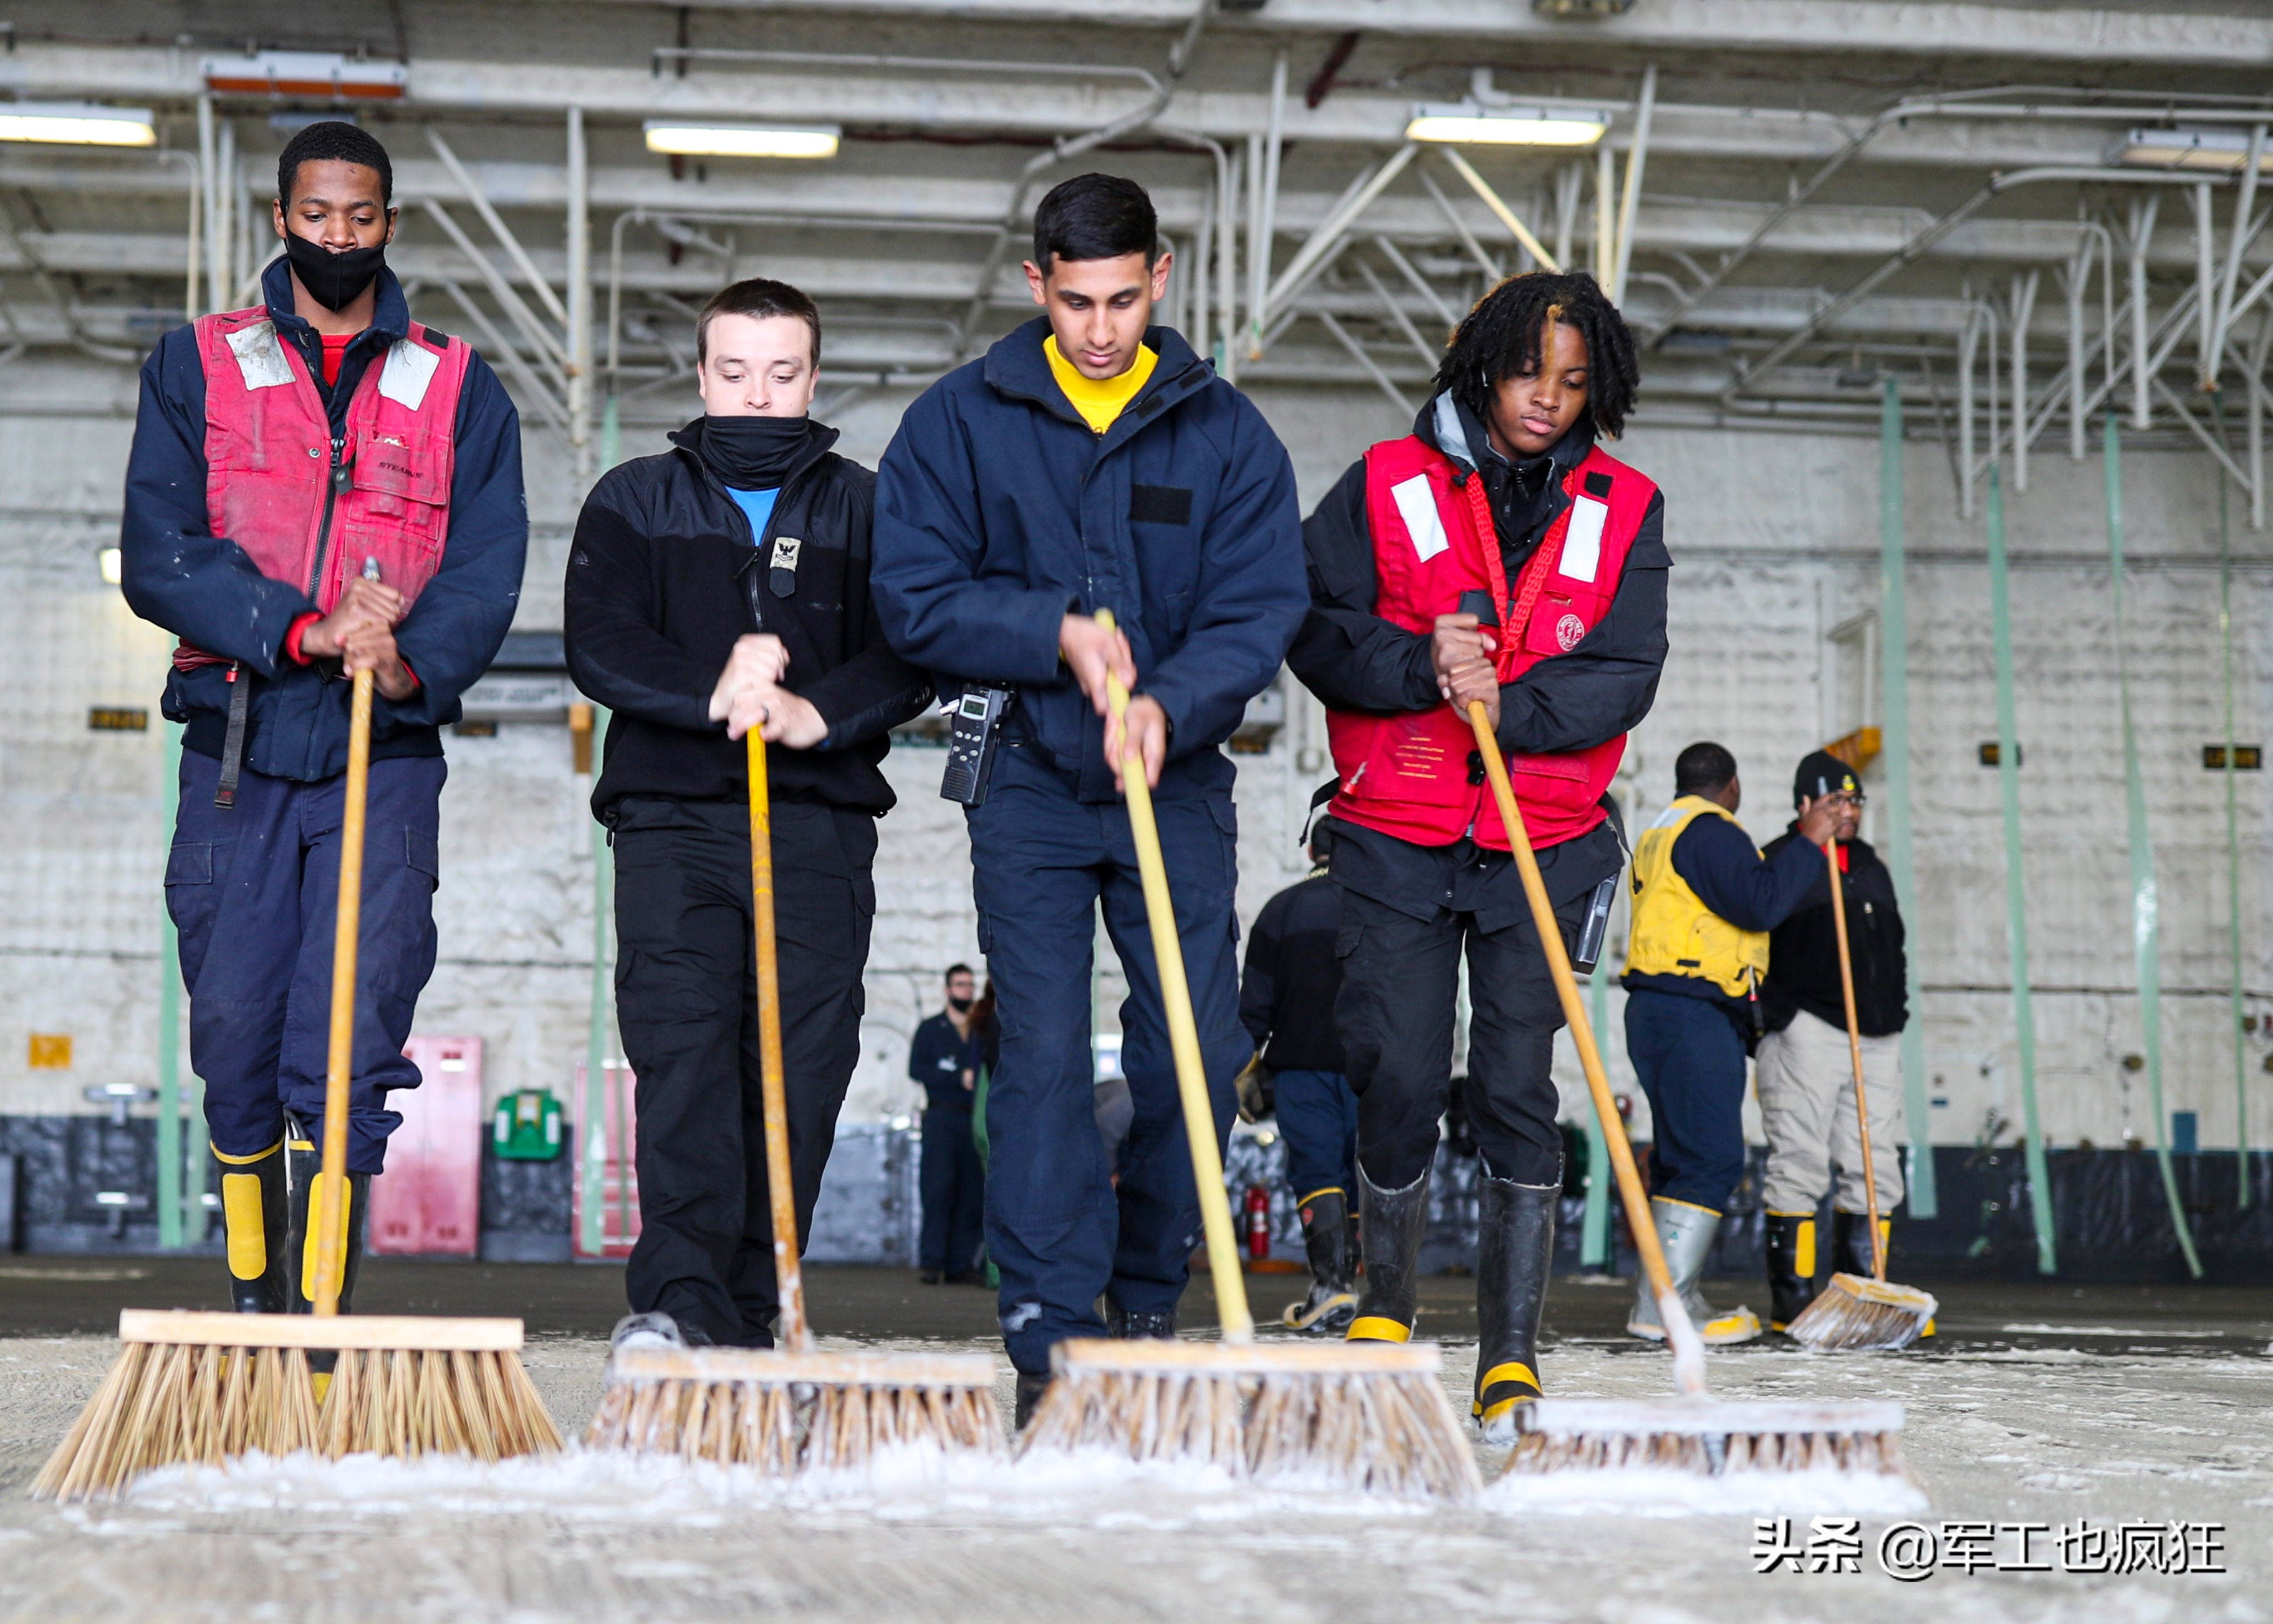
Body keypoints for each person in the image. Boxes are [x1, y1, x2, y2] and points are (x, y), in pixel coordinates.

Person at [872, 173, 1305, 1425]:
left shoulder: (1224, 434)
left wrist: (1175, 699)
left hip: (1169, 786)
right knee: (1047, 1057)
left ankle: (1148, 1296)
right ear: (1035, 286)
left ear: (1158, 279)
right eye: (1075, 303)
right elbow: (910, 593)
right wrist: (1048, 631)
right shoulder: (959, 422)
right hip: (1024, 782)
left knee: (1194, 1048)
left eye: (1122, 299)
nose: (1101, 327)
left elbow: (1258, 607)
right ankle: (1048, 1333)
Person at [120, 122, 525, 1321]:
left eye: (361, 218)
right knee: (236, 1033)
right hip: (238, 746)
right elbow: (161, 554)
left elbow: (488, 564)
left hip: (379, 754)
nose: (338, 238)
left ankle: (322, 1324)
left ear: (390, 224)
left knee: (347, 1036)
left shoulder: (460, 385)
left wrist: (404, 660)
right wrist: (305, 628)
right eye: (316, 216)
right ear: (283, 218)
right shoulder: (195, 363)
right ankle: (252, 1287)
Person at [1288, 269, 1668, 1442]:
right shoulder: (1388, 483)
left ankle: (1510, 1356)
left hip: (1541, 841)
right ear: (1478, 364)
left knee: (1516, 1088)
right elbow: (1314, 622)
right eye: (1524, 373)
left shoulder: (1624, 504)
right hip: (1396, 832)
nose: (1546, 399)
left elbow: (1625, 669)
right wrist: (1419, 668)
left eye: (1572, 380)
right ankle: (1388, 1310)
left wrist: (1516, 706)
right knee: (1398, 1069)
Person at [564, 277, 931, 1348]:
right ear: (701, 375)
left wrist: (819, 710)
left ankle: (763, 1306)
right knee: (682, 1060)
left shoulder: (868, 506)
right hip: (674, 827)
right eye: (734, 372)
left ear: (812, 379)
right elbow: (599, 640)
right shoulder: (633, 498)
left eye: (781, 374)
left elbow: (911, 647)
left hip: (816, 827)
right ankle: (679, 1307)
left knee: (800, 1070)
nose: (757, 395)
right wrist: (709, 691)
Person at [1620, 741, 1840, 1346]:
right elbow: (1759, 903)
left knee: (1679, 1156)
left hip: (1657, 1008)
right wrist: (1809, 840)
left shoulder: (1659, 833)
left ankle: (1659, 1300)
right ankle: (1669, 1305)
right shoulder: (1712, 830)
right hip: (1692, 1008)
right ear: (1732, 786)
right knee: (1711, 1158)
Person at [1756, 751, 1910, 1330]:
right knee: (1800, 1162)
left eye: (1854, 801)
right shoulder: (1782, 860)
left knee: (1876, 1168)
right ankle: (1794, 1305)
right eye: (1834, 802)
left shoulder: (1870, 865)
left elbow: (1892, 952)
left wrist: (1897, 1011)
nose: (1848, 811)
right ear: (1804, 805)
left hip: (1876, 1034)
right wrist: (1784, 1016)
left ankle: (1865, 1298)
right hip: (1809, 1030)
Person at [1238, 824, 1360, 1332]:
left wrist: (1244, 1069)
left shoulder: (1281, 909)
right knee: (1371, 1174)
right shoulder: (1385, 906)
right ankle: (1383, 1304)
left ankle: (1333, 1289)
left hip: (1301, 1071)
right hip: (1372, 1067)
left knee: (1318, 1172)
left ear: (1312, 849)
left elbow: (1255, 1004)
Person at [909, 963, 988, 1284]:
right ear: (947, 989)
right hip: (941, 1118)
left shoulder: (980, 1030)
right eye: (959, 985)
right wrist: (957, 1076)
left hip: (971, 1119)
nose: (965, 990)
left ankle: (960, 1263)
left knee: (971, 1192)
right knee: (938, 1189)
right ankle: (932, 1262)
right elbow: (917, 1070)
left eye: (969, 985)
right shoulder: (931, 1029)